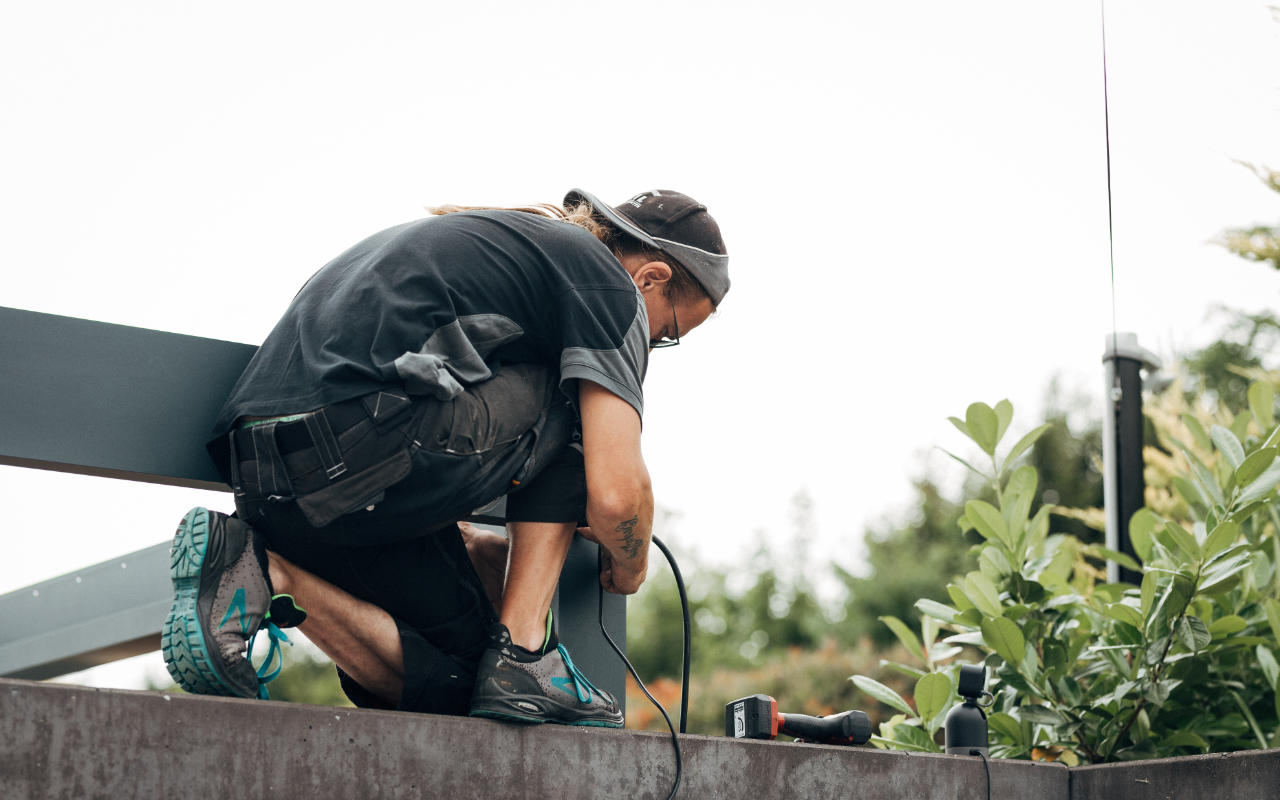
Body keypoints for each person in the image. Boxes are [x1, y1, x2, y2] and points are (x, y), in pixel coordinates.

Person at [160, 188, 730, 726]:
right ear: (651, 277)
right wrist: (628, 563)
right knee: (579, 401)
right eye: (667, 334)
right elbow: (615, 493)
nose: (652, 346)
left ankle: (258, 565)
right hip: (356, 447)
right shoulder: (607, 284)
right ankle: (526, 652)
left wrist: (465, 541)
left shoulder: (506, 247)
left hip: (275, 478)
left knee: (465, 679)